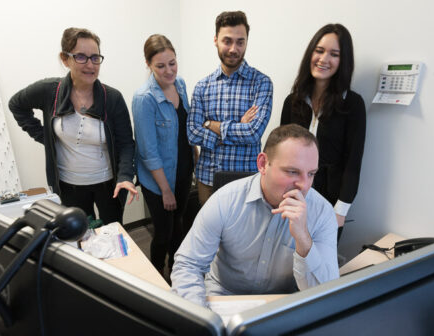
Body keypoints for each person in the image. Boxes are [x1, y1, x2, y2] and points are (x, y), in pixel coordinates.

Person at [171, 124, 339, 307]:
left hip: (283, 303)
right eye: (292, 172)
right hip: (225, 296)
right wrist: (200, 319)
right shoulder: (225, 200)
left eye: (311, 174)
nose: (304, 185)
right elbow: (188, 265)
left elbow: (326, 293)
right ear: (262, 164)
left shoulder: (322, 212)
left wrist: (303, 239)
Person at [9, 27, 138, 225]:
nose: (90, 65)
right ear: (65, 59)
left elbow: (126, 144)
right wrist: (47, 138)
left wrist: (126, 176)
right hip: (68, 186)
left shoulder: (112, 98)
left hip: (108, 185)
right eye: (81, 57)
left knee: (112, 234)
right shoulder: (48, 91)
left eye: (95, 58)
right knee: (78, 237)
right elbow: (16, 105)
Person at [280, 23, 366, 244]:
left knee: (319, 269)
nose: (323, 59)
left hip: (330, 204)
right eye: (319, 50)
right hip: (292, 199)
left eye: (334, 54)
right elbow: (279, 154)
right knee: (286, 266)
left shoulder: (353, 104)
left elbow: (353, 163)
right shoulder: (293, 101)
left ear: (343, 61)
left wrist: (341, 211)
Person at [187, 10, 273, 205]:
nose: (234, 48)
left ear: (246, 42)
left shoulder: (261, 83)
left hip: (246, 180)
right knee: (209, 234)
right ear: (216, 40)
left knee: (244, 235)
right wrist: (238, 126)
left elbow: (253, 132)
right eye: (227, 41)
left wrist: (209, 124)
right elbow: (192, 133)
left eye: (240, 42)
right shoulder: (203, 86)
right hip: (208, 178)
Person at [132, 34, 197, 277]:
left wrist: (195, 155)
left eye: (172, 62)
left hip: (182, 169)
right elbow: (148, 152)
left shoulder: (180, 84)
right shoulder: (144, 99)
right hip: (158, 179)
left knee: (178, 225)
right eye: (160, 66)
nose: (168, 70)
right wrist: (165, 190)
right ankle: (157, 273)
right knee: (163, 232)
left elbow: (186, 126)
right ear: (148, 64)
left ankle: (176, 271)